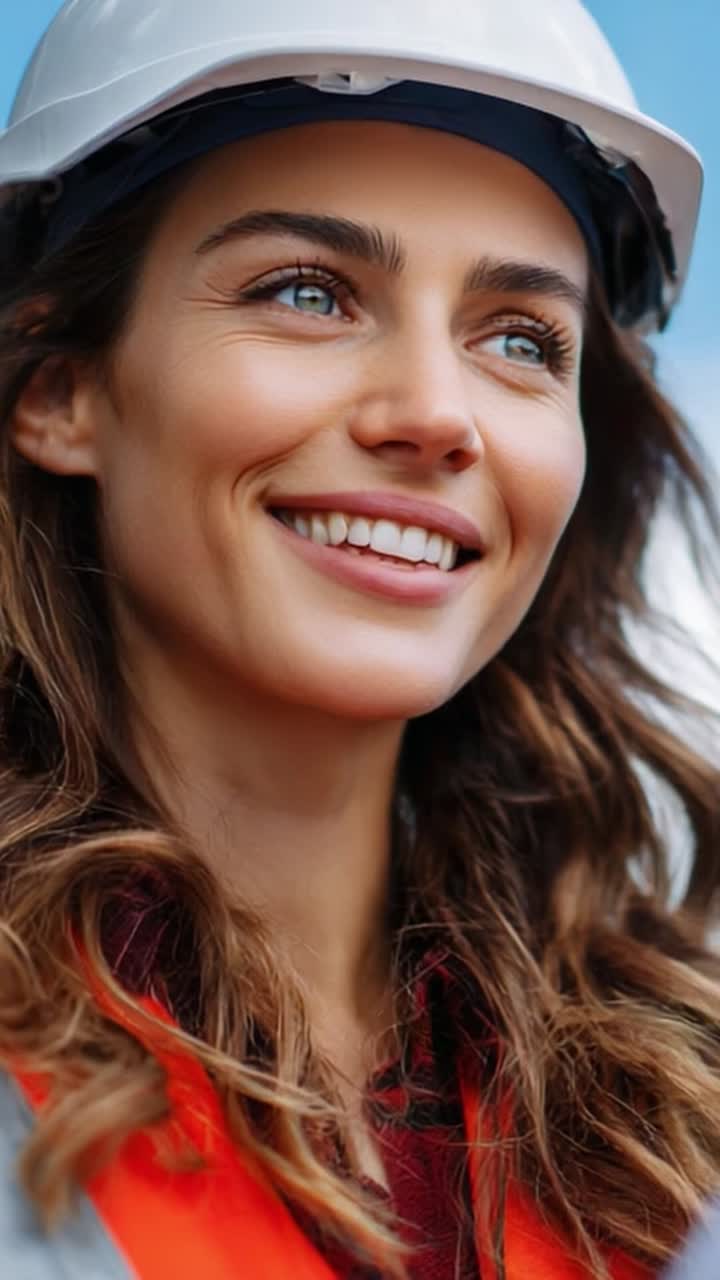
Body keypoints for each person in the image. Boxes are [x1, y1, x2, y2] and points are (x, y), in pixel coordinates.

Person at [0, 2, 718, 1277]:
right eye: (307, 292)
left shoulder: (680, 1120)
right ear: (61, 388)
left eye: (518, 338)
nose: (438, 416)